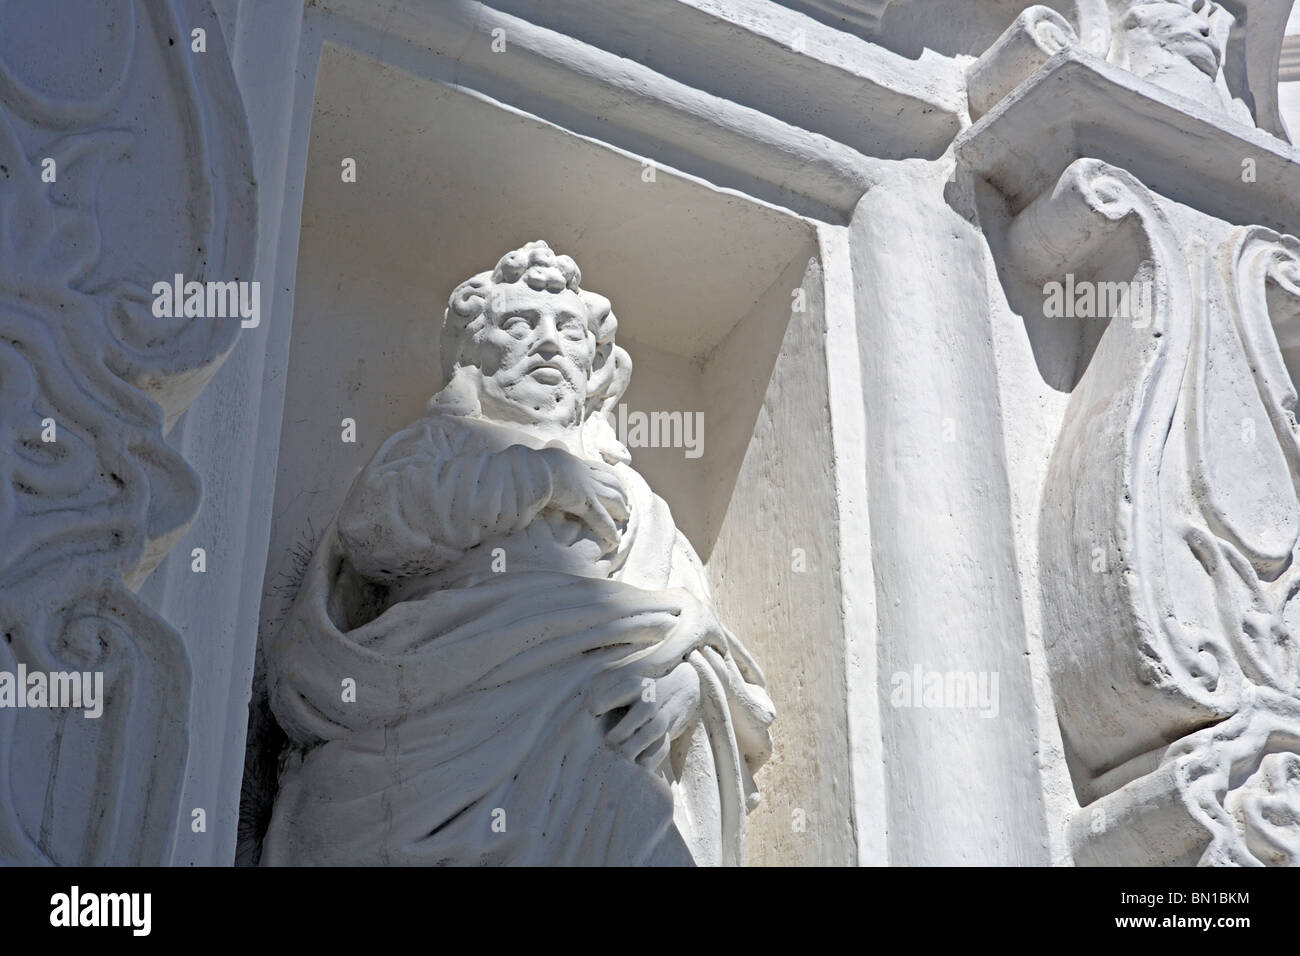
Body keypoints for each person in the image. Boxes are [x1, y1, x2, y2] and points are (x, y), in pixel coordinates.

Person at [262, 240, 773, 865]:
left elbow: (694, 631)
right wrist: (542, 479)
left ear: (594, 369)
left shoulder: (641, 504)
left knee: (644, 829)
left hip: (599, 749)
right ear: (473, 355)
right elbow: (375, 530)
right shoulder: (440, 444)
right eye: (519, 324)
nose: (550, 343)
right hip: (427, 726)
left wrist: (685, 687)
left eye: (569, 331)